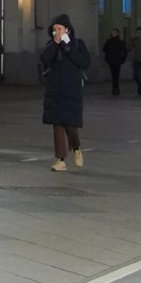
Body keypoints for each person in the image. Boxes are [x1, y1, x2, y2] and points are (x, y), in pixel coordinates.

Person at [39, 15, 90, 171]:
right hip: (55, 89)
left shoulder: (77, 44)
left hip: (72, 90)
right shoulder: (51, 44)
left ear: (67, 29)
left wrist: (68, 47)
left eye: (59, 29)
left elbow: (84, 62)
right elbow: (44, 59)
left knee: (71, 125)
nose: (57, 32)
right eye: (54, 29)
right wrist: (55, 44)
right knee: (58, 126)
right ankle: (60, 160)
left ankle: (76, 148)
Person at [102, 29, 127, 95]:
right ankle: (115, 87)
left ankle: (115, 87)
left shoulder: (120, 42)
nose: (113, 33)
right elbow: (104, 49)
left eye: (114, 32)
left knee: (116, 74)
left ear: (117, 33)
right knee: (113, 74)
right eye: (112, 32)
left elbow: (125, 51)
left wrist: (123, 59)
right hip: (110, 60)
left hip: (117, 60)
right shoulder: (108, 41)